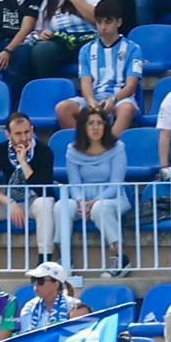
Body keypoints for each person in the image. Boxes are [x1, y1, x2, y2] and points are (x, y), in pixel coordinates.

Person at [56, 106, 130, 279]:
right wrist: (81, 201)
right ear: (83, 127)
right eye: (91, 123)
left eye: (99, 123)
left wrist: (95, 201)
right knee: (61, 206)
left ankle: (119, 258)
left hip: (113, 196)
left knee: (100, 209)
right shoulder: (72, 150)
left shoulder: (118, 148)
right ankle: (65, 260)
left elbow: (115, 183)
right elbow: (74, 184)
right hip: (82, 197)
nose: (96, 127)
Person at [0, 115, 56, 266]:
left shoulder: (44, 151)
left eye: (27, 132)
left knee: (44, 203)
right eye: (18, 134)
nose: (24, 137)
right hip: (8, 203)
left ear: (32, 130)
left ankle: (44, 262)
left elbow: (43, 187)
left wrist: (23, 162)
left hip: (33, 202)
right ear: (8, 134)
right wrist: (10, 203)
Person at [54, 0, 140, 133]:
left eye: (108, 22)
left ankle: (109, 146)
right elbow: (85, 82)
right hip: (94, 98)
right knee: (62, 108)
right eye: (99, 22)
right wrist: (92, 102)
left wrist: (113, 99)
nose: (103, 27)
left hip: (121, 98)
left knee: (127, 109)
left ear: (119, 22)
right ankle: (84, 145)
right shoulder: (86, 50)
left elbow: (131, 85)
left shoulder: (133, 48)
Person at [26, 0, 101, 82]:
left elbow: (100, 20)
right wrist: (43, 34)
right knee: (43, 49)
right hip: (63, 42)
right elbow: (39, 30)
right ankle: (51, 89)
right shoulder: (49, 0)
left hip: (89, 39)